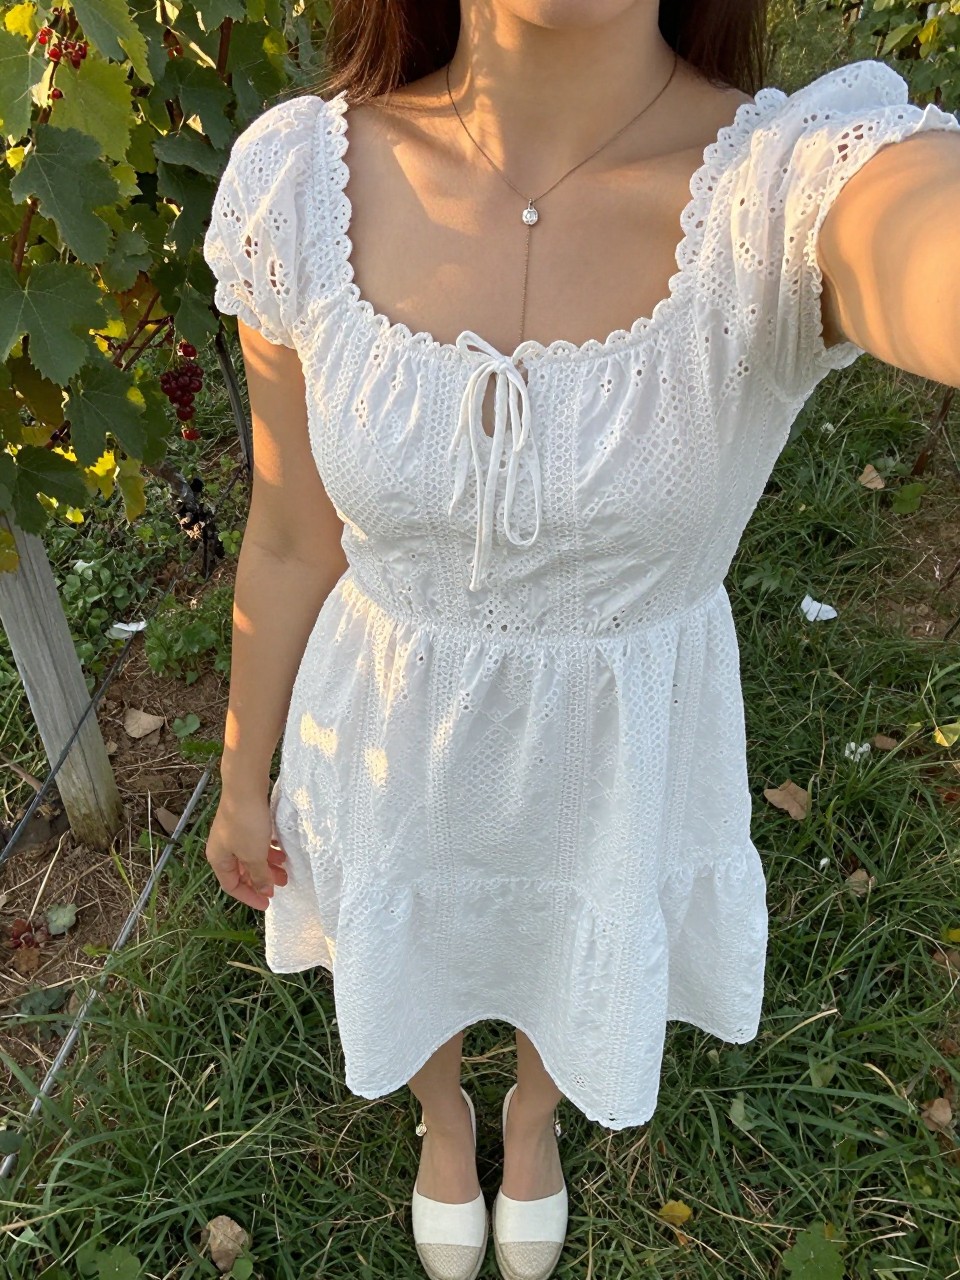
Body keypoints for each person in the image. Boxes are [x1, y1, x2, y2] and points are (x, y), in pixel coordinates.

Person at [201, 2, 960, 1277]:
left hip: (613, 748)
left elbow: (917, 235)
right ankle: (444, 1114)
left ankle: (532, 1113)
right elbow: (289, 536)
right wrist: (240, 767)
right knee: (408, 910)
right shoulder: (299, 181)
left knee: (576, 908)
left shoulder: (781, 187)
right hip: (389, 714)